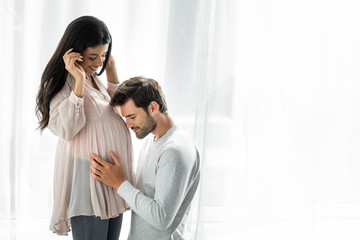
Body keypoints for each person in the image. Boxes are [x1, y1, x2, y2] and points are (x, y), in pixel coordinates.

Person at [35, 16, 134, 239]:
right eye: (93, 56)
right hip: (87, 177)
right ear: (75, 52)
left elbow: (117, 111)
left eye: (104, 55)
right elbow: (66, 129)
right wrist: (78, 83)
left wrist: (112, 71)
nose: (99, 63)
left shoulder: (94, 78)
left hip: (111, 177)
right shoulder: (62, 82)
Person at [90, 76, 201, 240]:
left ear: (153, 107)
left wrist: (119, 183)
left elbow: (161, 218)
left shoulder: (174, 150)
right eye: (125, 118)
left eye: (132, 117)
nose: (127, 124)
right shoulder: (152, 141)